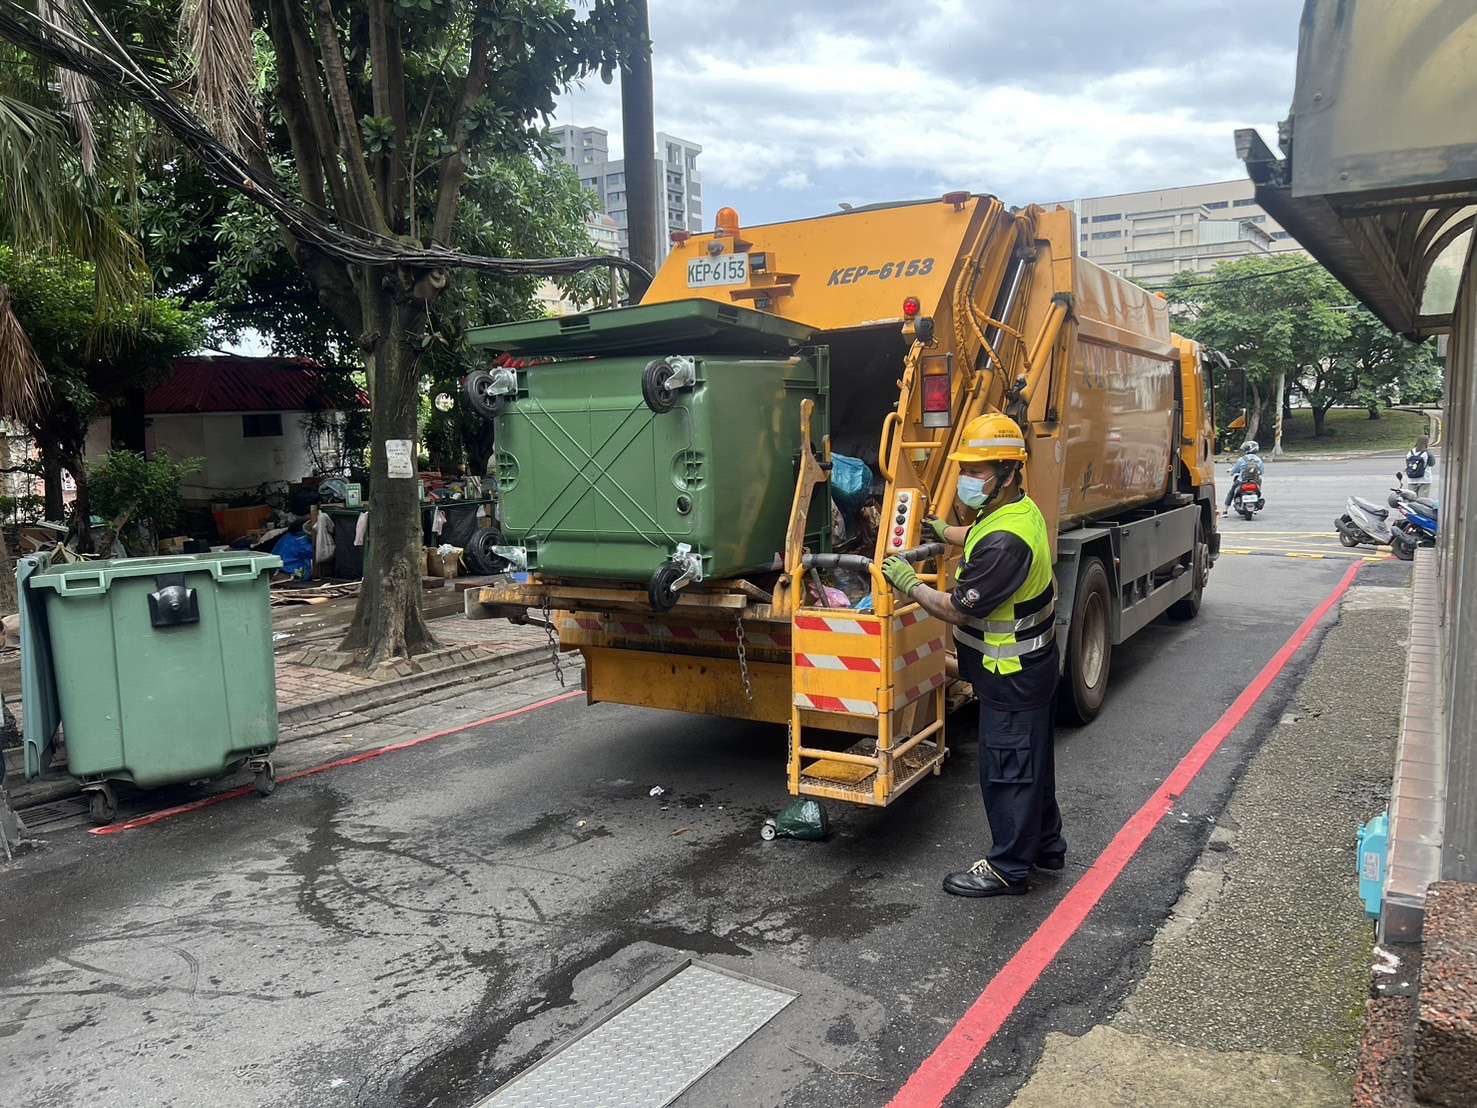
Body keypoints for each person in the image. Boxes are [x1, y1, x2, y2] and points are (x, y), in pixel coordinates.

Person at [881, 412, 1063, 897]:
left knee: (1008, 771)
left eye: (977, 471)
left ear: (1007, 473)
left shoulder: (1005, 543)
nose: (967, 478)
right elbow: (978, 536)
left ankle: (1008, 868)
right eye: (967, 469)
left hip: (1013, 676)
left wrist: (909, 584)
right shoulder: (1014, 513)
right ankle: (1046, 847)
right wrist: (944, 530)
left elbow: (957, 609)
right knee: (1033, 764)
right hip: (1029, 669)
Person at [1224, 440, 1263, 509]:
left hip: (1242, 480)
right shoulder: (1259, 460)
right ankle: (1256, 500)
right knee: (1259, 485)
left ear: (1248, 449)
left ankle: (1225, 510)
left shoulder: (1242, 459)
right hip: (1254, 481)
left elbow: (1235, 470)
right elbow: (1261, 472)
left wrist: (1231, 472)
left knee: (1232, 491)